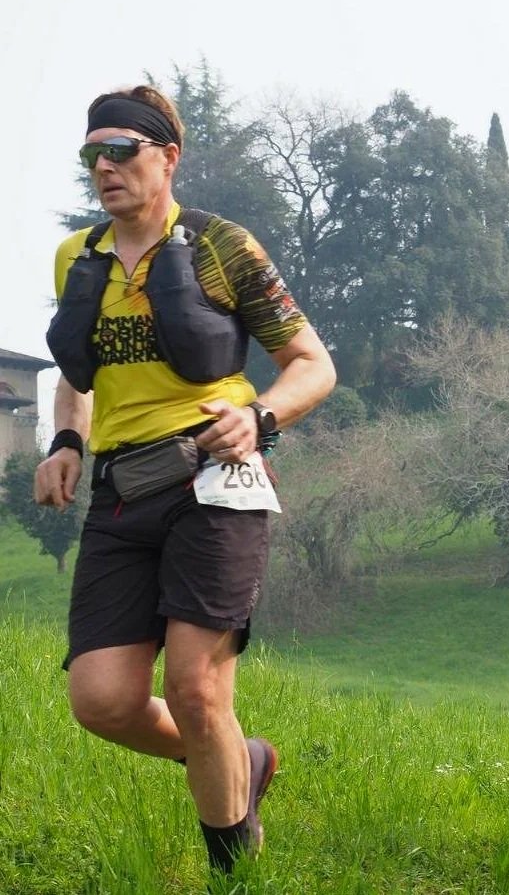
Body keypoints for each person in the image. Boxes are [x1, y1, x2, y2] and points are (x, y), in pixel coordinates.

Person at [34, 86, 336, 878]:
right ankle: (243, 762)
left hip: (217, 478)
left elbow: (313, 365)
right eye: (92, 153)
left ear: (167, 157)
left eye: (121, 151)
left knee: (198, 690)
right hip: (122, 488)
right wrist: (68, 438)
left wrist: (261, 418)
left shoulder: (220, 246)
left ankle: (234, 868)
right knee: (102, 701)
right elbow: (79, 368)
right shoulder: (79, 256)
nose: (105, 168)